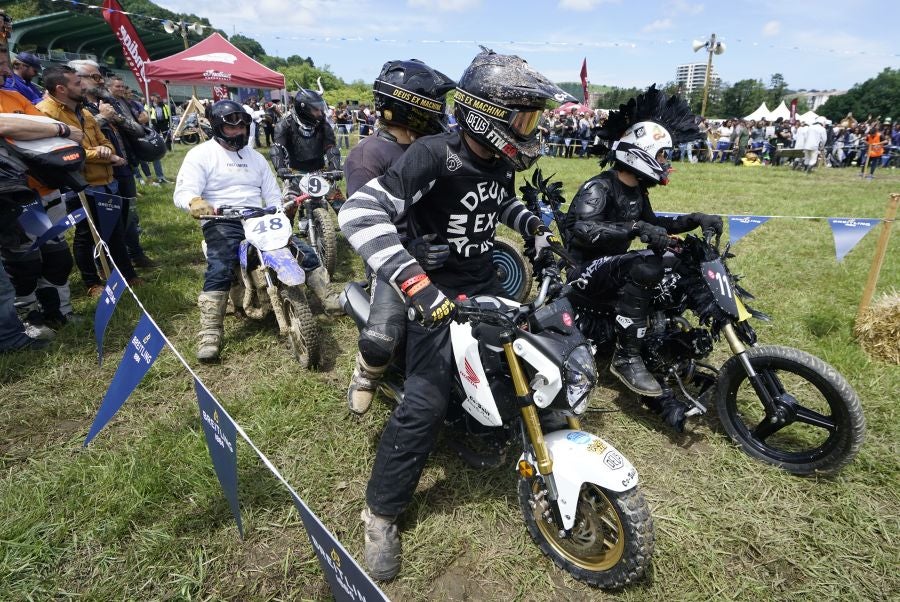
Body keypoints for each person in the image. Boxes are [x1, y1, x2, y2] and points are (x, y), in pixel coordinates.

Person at [339, 48, 572, 581]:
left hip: (484, 281)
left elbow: (498, 203)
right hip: (434, 293)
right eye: (521, 117)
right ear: (483, 114)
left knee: (526, 360)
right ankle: (380, 514)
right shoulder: (432, 154)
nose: (527, 128)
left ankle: (481, 432)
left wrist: (533, 228)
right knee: (422, 403)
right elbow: (357, 212)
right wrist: (414, 281)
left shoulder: (497, 159)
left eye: (532, 118)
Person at [560, 85, 722, 430]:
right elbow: (581, 230)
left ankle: (666, 338)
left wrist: (692, 219)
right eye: (662, 155)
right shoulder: (598, 187)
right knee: (645, 262)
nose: (666, 163)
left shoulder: (636, 190)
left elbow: (653, 224)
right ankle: (627, 356)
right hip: (582, 273)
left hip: (613, 271)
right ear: (643, 152)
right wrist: (633, 228)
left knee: (675, 261)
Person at [173, 100, 339, 362]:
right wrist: (195, 202)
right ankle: (210, 331)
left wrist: (278, 209)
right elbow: (183, 191)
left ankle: (329, 297)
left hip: (257, 217)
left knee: (299, 247)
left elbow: (272, 195)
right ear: (217, 126)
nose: (238, 131)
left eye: (242, 126)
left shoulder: (256, 158)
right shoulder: (200, 155)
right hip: (221, 219)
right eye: (231, 127)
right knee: (221, 265)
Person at [343, 58, 456, 415]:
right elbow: (369, 224)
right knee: (383, 338)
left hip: (438, 249)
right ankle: (367, 372)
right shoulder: (367, 155)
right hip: (393, 261)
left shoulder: (430, 147)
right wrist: (411, 249)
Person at [37, 65, 140, 297]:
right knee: (86, 235)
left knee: (114, 231)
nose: (83, 86)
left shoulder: (84, 112)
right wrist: (104, 154)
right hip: (80, 186)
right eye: (77, 83)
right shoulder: (46, 114)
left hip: (107, 182)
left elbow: (106, 141)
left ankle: (125, 274)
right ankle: (92, 282)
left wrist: (106, 150)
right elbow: (65, 151)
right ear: (61, 89)